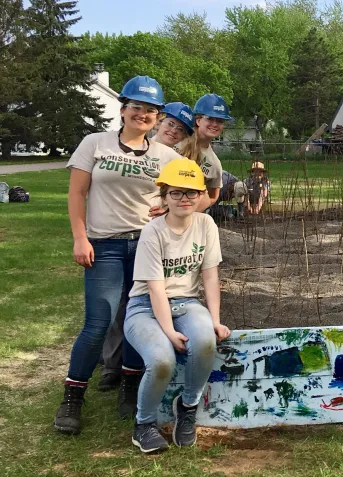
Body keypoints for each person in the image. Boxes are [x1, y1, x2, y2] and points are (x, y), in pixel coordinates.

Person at [54, 76, 183, 435]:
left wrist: (167, 206)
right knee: (99, 322)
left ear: (158, 117)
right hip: (105, 245)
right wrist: (80, 238)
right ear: (123, 109)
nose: (143, 114)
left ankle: (130, 386)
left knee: (136, 320)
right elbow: (77, 194)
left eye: (151, 110)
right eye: (137, 107)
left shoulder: (167, 156)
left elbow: (195, 194)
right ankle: (72, 397)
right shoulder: (94, 144)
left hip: (147, 246)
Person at [123, 158, 230, 453]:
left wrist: (215, 319)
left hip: (186, 302)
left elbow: (210, 275)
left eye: (191, 192)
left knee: (206, 340)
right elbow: (156, 288)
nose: (184, 199)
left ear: (201, 195)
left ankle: (187, 407)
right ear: (164, 196)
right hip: (145, 305)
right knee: (162, 360)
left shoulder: (206, 224)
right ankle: (143, 425)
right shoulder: (153, 232)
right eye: (176, 193)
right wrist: (169, 332)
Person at [98, 103, 198, 385]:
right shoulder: (132, 148)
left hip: (152, 237)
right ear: (159, 122)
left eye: (180, 130)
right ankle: (111, 364)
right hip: (117, 234)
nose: (173, 131)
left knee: (141, 299)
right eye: (170, 124)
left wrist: (168, 209)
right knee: (116, 303)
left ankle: (137, 364)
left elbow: (187, 197)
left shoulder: (175, 161)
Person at [175, 94, 231, 211]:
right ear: (198, 120)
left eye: (220, 121)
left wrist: (187, 211)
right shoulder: (177, 140)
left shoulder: (214, 163)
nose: (215, 124)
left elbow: (212, 196)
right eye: (210, 118)